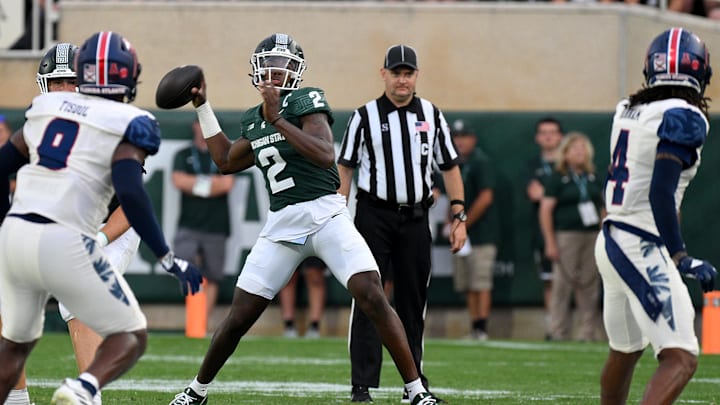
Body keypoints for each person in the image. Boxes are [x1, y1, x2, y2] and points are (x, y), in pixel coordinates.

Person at [168, 33, 440, 405]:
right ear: (257, 70)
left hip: (326, 214)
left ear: (295, 71)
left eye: (283, 65)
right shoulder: (254, 119)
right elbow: (226, 161)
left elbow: (325, 154)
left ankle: (415, 391)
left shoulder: (304, 100)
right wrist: (202, 105)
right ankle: (196, 391)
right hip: (282, 224)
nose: (276, 72)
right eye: (270, 64)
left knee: (372, 295)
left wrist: (278, 117)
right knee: (239, 317)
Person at [0, 31, 202, 405]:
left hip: (100, 229)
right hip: (58, 229)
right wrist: (168, 259)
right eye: (57, 82)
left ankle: (83, 394)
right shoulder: (126, 121)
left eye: (70, 81)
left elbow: (127, 205)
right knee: (126, 334)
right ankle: (71, 392)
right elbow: (133, 193)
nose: (63, 89)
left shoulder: (41, 114)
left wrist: (100, 241)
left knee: (68, 308)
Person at [337, 44, 466, 403]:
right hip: (373, 215)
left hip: (415, 218)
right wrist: (337, 217)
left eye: (408, 73)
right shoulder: (363, 116)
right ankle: (361, 384)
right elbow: (345, 167)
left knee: (413, 300)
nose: (402, 79)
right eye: (396, 73)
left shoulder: (431, 114)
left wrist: (459, 216)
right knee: (367, 297)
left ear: (416, 76)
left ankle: (415, 384)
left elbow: (450, 166)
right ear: (384, 75)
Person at [595, 27, 717, 404]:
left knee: (626, 349)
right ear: (701, 74)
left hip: (611, 237)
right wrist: (680, 255)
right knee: (681, 356)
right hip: (640, 242)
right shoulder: (685, 116)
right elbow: (660, 190)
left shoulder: (627, 108)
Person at [539, 131, 603, 342]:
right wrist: (550, 241)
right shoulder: (558, 178)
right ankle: (558, 331)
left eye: (583, 149)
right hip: (567, 235)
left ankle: (587, 332)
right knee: (562, 284)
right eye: (575, 149)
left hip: (592, 234)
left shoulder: (592, 176)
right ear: (565, 153)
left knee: (589, 284)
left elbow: (602, 207)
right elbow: (546, 209)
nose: (580, 153)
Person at [172, 119, 234, 330]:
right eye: (199, 125)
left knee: (213, 275)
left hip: (216, 225)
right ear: (194, 127)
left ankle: (201, 324)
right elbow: (178, 180)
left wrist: (196, 184)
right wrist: (210, 185)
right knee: (186, 266)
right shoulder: (183, 155)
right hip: (189, 224)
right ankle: (193, 319)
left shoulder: (223, 154)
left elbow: (227, 184)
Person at [445, 120, 499, 341]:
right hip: (463, 234)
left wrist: (462, 223)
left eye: (464, 136)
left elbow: (486, 197)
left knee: (481, 281)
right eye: (456, 136)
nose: (459, 141)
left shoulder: (480, 162)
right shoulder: (452, 163)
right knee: (468, 282)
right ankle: (474, 325)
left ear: (473, 139)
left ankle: (482, 327)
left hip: (480, 234)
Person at [525, 117, 564, 340]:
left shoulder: (569, 162)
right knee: (550, 280)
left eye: (553, 132)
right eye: (544, 132)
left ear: (560, 136)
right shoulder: (533, 165)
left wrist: (551, 196)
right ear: (538, 137)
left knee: (577, 281)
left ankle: (578, 329)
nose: (548, 136)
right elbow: (534, 194)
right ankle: (553, 327)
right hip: (544, 230)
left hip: (572, 228)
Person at [279, 256, 327, 338]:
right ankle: (289, 326)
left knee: (314, 273)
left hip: (314, 244)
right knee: (288, 275)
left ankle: (314, 326)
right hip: (292, 244)